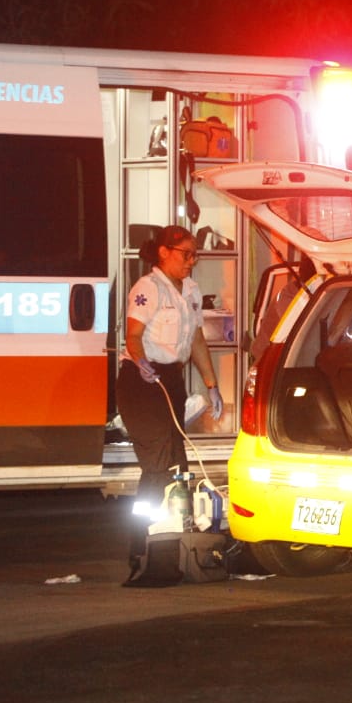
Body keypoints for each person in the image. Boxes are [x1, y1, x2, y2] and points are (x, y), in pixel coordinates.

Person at [118, 225, 224, 574]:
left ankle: (172, 543)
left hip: (171, 380)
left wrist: (212, 384)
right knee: (159, 463)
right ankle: (143, 546)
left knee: (179, 465)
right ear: (164, 252)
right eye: (186, 254)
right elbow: (133, 335)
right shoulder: (148, 288)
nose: (191, 261)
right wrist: (142, 363)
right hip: (141, 381)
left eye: (195, 254)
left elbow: (195, 339)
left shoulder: (190, 290)